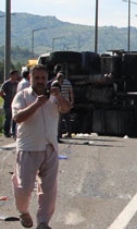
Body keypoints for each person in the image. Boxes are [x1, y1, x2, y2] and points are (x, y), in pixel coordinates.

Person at [11, 64, 71, 229]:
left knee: (49, 189)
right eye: (36, 78)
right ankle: (23, 211)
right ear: (30, 78)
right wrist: (37, 104)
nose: (40, 81)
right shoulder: (22, 96)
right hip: (28, 148)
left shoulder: (53, 96)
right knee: (24, 188)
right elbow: (17, 118)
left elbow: (66, 108)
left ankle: (43, 222)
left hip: (50, 148)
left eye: (43, 78)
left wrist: (59, 97)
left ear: (47, 79)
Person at [55, 72, 75, 139]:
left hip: (60, 102)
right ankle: (69, 133)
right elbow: (71, 92)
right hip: (67, 102)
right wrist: (72, 101)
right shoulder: (68, 83)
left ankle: (59, 134)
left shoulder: (56, 83)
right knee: (67, 119)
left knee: (60, 120)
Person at [1, 70, 20, 138]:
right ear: (12, 75)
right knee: (8, 118)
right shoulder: (6, 83)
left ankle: (13, 131)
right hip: (7, 103)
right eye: (15, 75)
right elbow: (1, 92)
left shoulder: (17, 83)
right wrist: (5, 98)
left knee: (15, 118)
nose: (17, 76)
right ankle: (6, 132)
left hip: (15, 103)